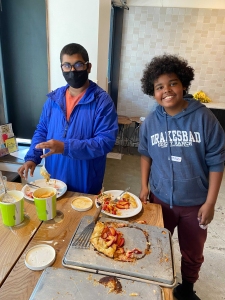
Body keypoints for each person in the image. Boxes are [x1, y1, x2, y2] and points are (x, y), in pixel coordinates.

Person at [138, 54, 225, 300]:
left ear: (184, 84)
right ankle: (155, 281)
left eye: (172, 83)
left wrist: (210, 203)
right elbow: (145, 154)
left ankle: (187, 287)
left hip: (195, 203)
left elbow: (217, 161)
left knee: (193, 250)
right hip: (160, 199)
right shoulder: (151, 121)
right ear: (152, 91)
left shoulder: (204, 118)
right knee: (155, 243)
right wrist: (144, 186)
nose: (167, 90)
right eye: (159, 87)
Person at [18, 43, 118, 194]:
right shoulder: (54, 99)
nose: (72, 70)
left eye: (78, 65)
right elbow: (42, 130)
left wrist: (65, 147)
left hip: (86, 182)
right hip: (54, 181)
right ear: (62, 68)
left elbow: (105, 142)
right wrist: (32, 157)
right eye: (67, 65)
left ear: (88, 67)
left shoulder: (102, 101)